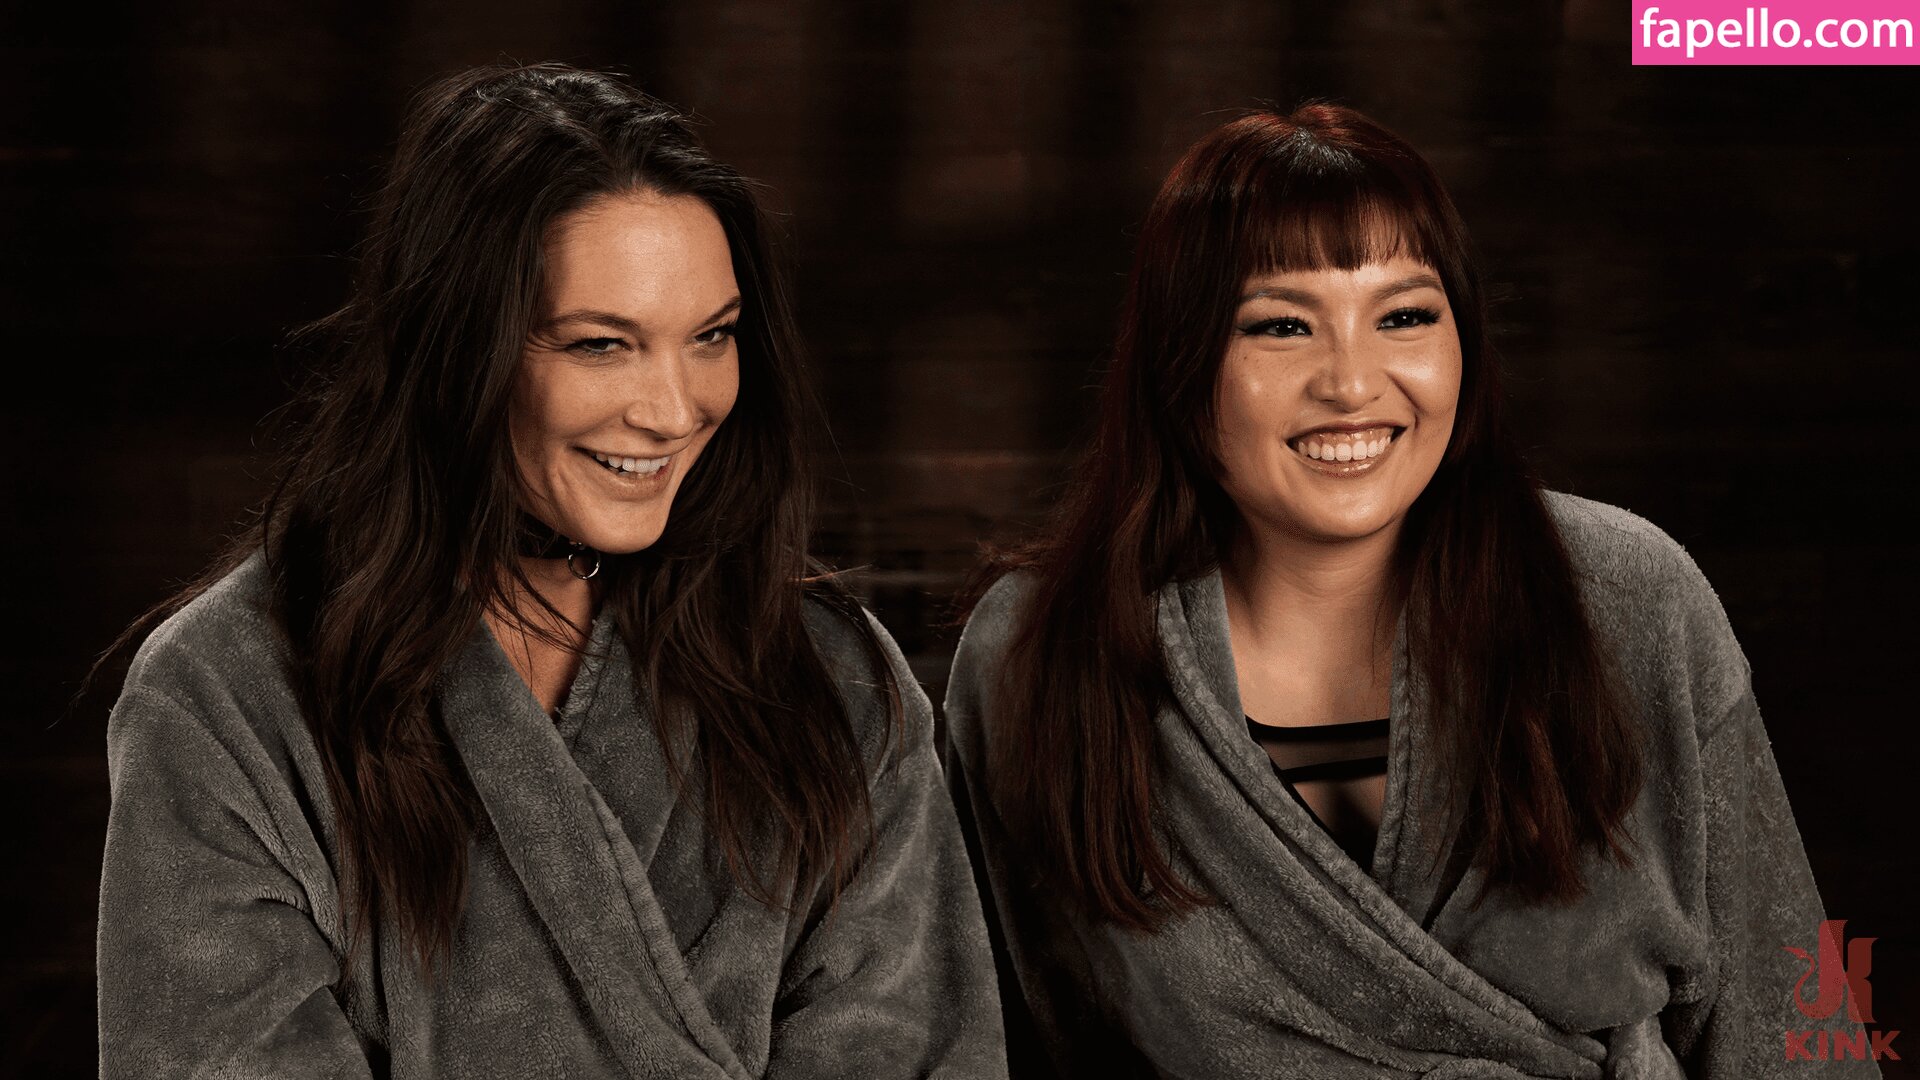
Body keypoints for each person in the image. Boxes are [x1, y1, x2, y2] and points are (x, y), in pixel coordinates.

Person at [96, 63, 1007, 1079]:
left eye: (712, 337)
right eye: (601, 345)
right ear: (456, 350)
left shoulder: (830, 677)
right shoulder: (226, 694)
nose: (674, 410)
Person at [942, 105, 1879, 1079]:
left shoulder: (1631, 598)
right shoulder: (1037, 651)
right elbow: (986, 1042)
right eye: (1281, 326)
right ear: (1181, 362)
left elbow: (1794, 1026)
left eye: (1404, 317)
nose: (1352, 384)